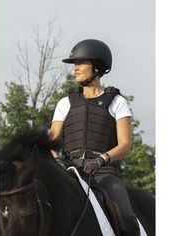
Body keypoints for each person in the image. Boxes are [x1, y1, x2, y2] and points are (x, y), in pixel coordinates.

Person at [49, 39, 140, 236]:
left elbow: (125, 144)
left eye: (81, 63)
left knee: (125, 216)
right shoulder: (65, 103)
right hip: (71, 171)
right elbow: (52, 140)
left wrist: (101, 159)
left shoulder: (117, 102)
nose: (75, 69)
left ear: (97, 67)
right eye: (74, 64)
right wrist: (57, 161)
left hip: (104, 172)